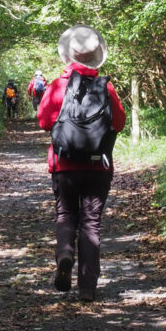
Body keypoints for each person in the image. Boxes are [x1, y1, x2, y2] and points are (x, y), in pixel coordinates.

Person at [37, 25, 126, 302]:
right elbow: (119, 123)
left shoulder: (57, 85)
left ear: (69, 54)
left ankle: (65, 254)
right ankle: (87, 287)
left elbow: (43, 122)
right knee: (91, 223)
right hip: (98, 166)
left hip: (64, 166)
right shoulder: (106, 86)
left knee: (65, 215)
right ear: (95, 55)